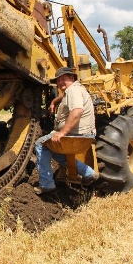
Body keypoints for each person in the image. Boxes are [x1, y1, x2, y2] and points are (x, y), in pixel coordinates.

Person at [33, 67, 98, 195]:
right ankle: (89, 173)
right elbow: (63, 95)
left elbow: (77, 111)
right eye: (58, 80)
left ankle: (46, 184)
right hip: (82, 133)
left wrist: (62, 132)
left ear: (72, 78)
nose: (61, 82)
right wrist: (54, 102)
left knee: (41, 144)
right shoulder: (74, 89)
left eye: (64, 79)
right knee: (55, 149)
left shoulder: (73, 90)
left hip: (78, 134)